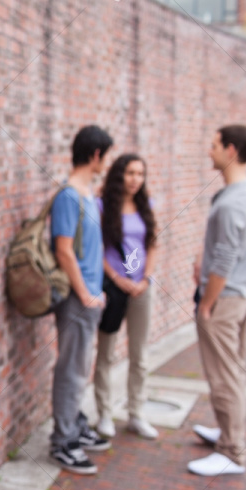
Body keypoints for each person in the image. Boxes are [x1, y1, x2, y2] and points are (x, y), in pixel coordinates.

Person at [188, 125, 246, 477]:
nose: (209, 150)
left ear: (231, 150)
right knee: (231, 371)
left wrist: (207, 302)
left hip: (225, 299)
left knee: (225, 376)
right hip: (241, 295)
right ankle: (227, 434)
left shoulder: (233, 200)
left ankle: (232, 452)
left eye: (214, 144)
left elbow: (227, 256)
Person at [48, 125, 113, 475]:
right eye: (107, 156)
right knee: (71, 369)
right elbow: (63, 250)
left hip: (89, 297)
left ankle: (75, 424)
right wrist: (86, 293)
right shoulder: (69, 197)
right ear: (96, 155)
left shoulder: (86, 194)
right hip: (77, 300)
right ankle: (63, 442)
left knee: (79, 367)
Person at [93, 154, 159, 440]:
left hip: (142, 288)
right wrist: (119, 279)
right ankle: (105, 413)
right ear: (119, 175)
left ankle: (136, 413)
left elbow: (153, 243)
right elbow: (98, 247)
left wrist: (145, 279)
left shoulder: (146, 206)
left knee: (140, 355)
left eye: (140, 174)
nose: (135, 179)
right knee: (106, 352)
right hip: (113, 286)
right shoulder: (103, 205)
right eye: (130, 173)